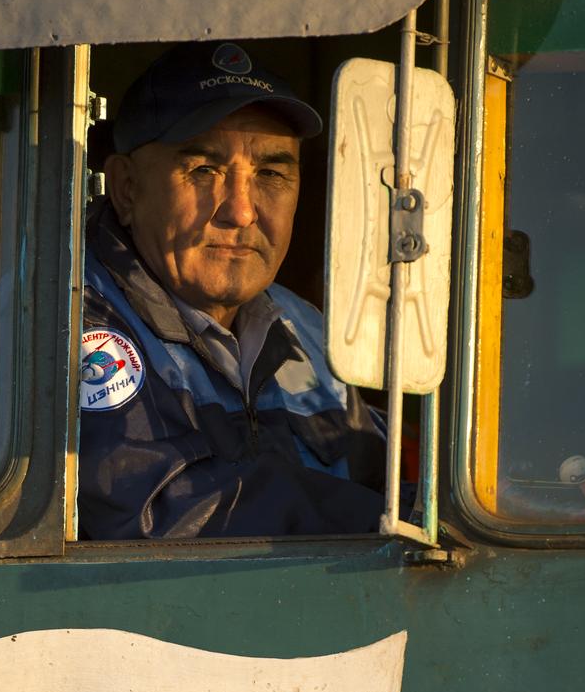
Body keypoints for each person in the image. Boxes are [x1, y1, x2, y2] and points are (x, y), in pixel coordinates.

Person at [78, 42, 386, 539]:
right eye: (204, 170)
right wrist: (378, 523)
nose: (241, 211)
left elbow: (381, 480)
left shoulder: (304, 328)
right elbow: (167, 522)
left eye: (271, 174)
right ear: (127, 189)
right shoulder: (69, 320)